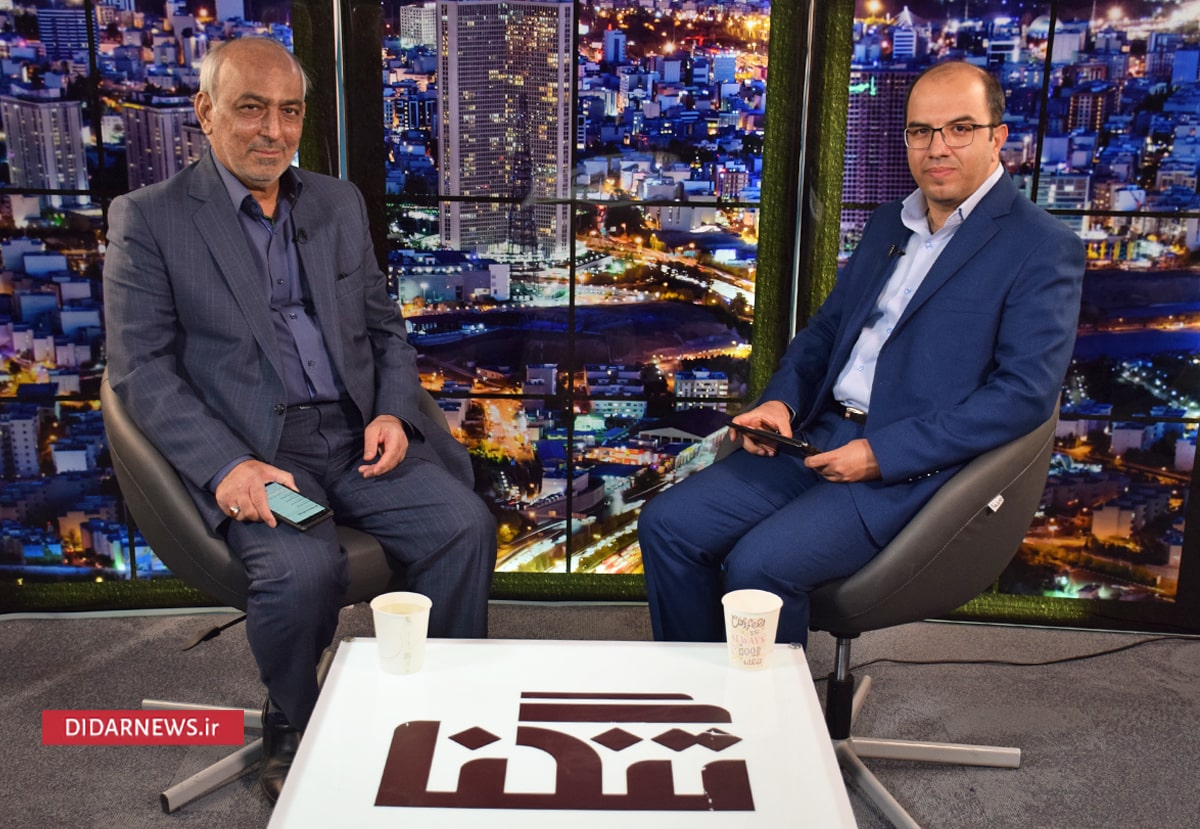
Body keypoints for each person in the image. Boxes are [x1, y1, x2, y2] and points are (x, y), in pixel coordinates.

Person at [103, 37, 495, 801]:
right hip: (259, 448)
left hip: (354, 438)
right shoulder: (150, 219)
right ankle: (298, 721)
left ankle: (436, 709)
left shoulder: (337, 203)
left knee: (463, 525)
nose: (273, 131)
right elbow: (140, 370)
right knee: (302, 567)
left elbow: (383, 328)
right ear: (206, 112)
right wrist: (227, 464)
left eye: (289, 111)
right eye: (251, 109)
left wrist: (392, 411)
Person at [638, 61, 1084, 647]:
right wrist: (780, 402)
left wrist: (881, 454)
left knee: (759, 566)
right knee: (668, 524)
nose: (937, 147)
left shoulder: (1042, 246)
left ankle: (766, 707)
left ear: (997, 137)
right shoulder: (888, 224)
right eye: (921, 131)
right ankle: (703, 690)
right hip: (817, 435)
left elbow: (1023, 395)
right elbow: (827, 333)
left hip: (909, 469)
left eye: (960, 129)